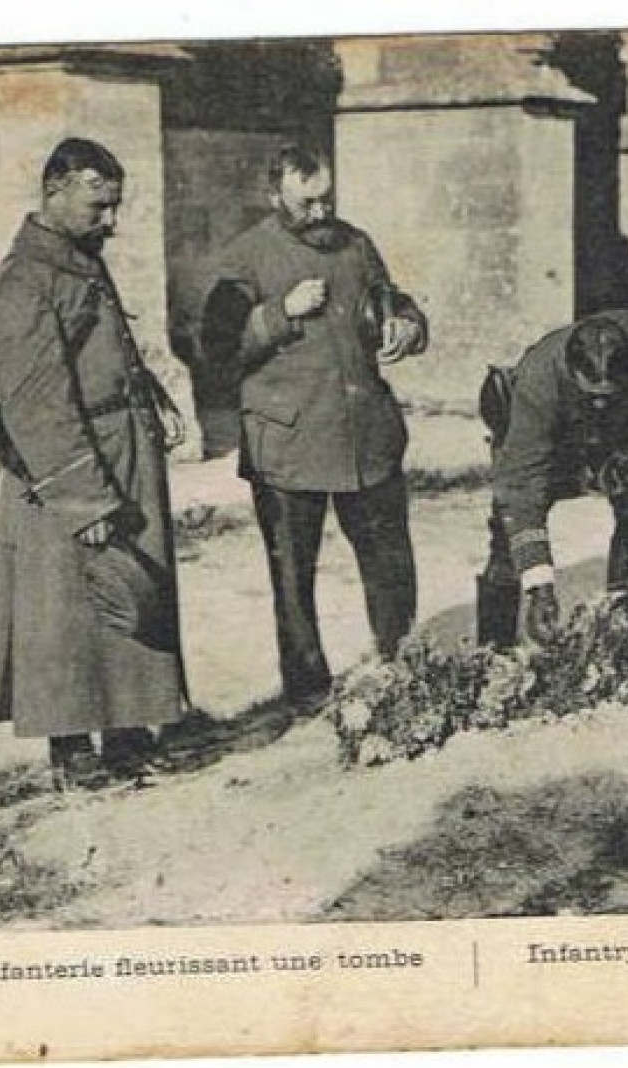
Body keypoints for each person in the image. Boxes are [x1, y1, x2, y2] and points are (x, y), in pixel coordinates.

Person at [0, 137, 191, 787]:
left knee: (129, 593)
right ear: (55, 191)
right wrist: (84, 496)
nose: (111, 221)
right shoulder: (22, 280)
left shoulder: (79, 261)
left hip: (122, 451)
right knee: (64, 609)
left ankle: (127, 733)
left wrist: (153, 400)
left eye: (116, 206)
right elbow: (38, 400)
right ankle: (73, 753)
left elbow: (108, 348)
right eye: (99, 205)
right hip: (67, 467)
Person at [202, 145, 428, 713]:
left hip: (364, 435)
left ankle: (399, 659)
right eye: (307, 203)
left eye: (327, 198)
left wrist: (407, 324)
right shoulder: (244, 258)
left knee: (388, 557)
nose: (322, 212)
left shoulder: (356, 244)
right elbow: (217, 350)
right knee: (292, 574)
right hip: (289, 442)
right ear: (274, 195)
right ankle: (306, 691)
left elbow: (391, 299)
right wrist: (279, 313)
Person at [477, 310, 628, 648]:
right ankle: (495, 651)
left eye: (608, 394)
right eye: (591, 394)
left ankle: (627, 631)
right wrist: (540, 587)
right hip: (551, 439)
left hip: (623, 433)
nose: (599, 402)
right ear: (572, 373)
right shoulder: (539, 384)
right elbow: (522, 490)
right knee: (510, 532)